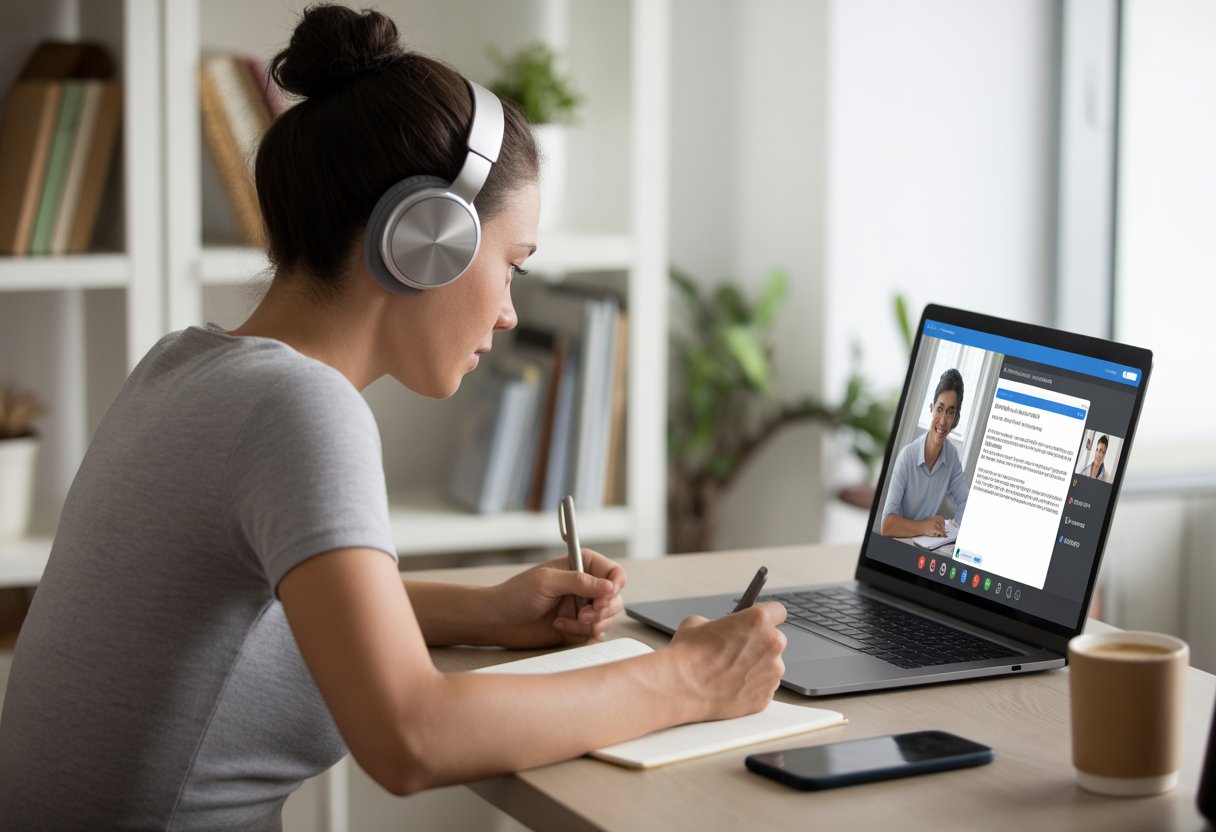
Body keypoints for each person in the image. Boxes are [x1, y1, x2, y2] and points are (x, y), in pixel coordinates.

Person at [0, 6, 787, 829]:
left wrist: (485, 612)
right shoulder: (299, 408)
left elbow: (264, 603)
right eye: (512, 266)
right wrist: (689, 678)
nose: (511, 312)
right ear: (427, 239)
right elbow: (413, 739)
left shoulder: (185, 366)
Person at [880, 368, 970, 538]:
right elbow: (887, 525)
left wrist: (955, 533)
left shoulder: (951, 456)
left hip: (927, 547)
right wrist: (925, 526)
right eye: (940, 409)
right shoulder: (907, 457)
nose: (943, 421)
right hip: (899, 545)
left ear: (956, 419)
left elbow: (965, 502)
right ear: (931, 408)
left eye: (950, 412)